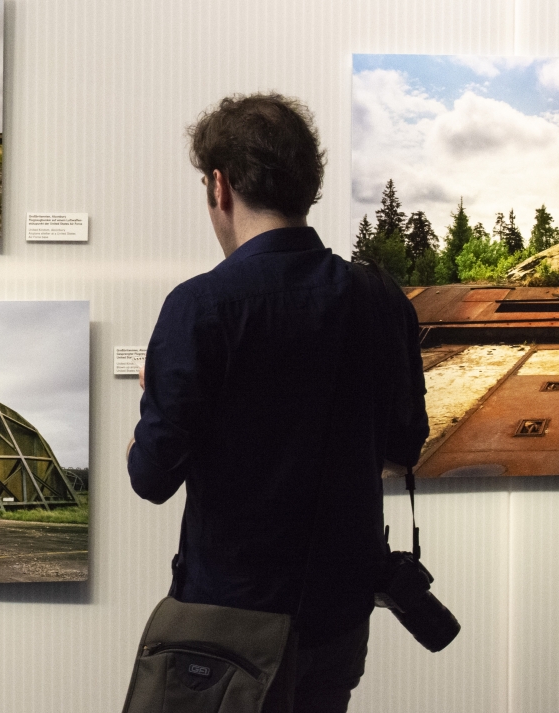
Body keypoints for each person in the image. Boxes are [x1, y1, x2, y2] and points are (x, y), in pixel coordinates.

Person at [126, 93, 428, 713]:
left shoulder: (199, 307)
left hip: (228, 631)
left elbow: (151, 477)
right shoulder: (380, 299)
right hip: (336, 620)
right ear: (307, 186)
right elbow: (405, 448)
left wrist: (147, 425)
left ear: (220, 185)